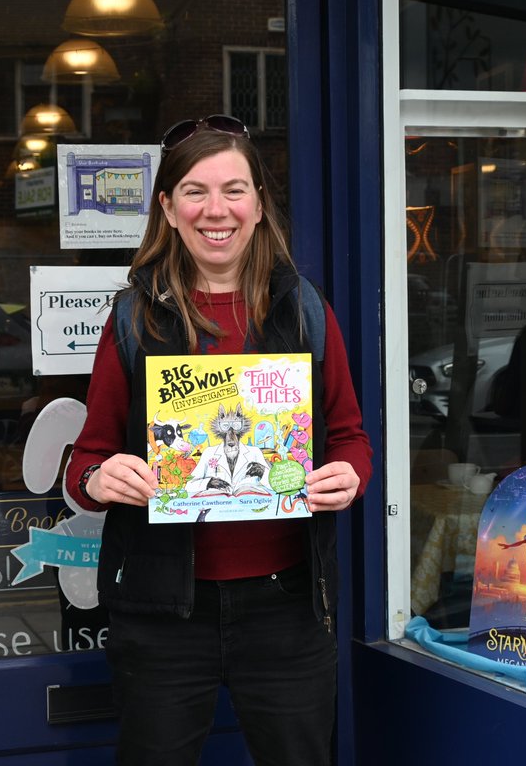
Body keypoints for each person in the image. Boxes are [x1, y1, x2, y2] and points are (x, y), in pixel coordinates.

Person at [64, 114, 373, 766]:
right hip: (162, 613)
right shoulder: (134, 317)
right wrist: (99, 480)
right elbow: (86, 461)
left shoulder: (304, 309)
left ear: (259, 206)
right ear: (168, 209)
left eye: (234, 190)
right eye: (196, 192)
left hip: (286, 607)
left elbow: (349, 437)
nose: (216, 210)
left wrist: (349, 475)